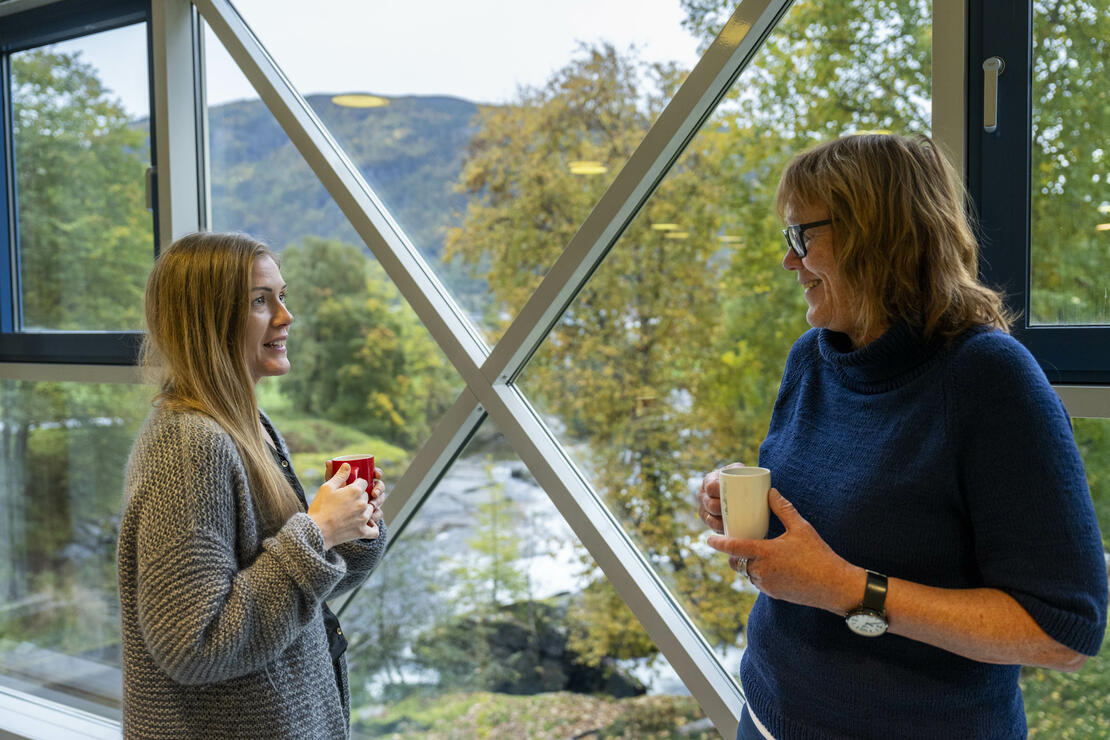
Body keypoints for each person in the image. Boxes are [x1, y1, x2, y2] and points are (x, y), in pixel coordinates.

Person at [697, 134, 1107, 739]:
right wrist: (746, 512)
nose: (790, 260)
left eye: (801, 236)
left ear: (874, 234)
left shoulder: (988, 378)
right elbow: (828, 525)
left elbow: (1063, 631)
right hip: (766, 715)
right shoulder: (812, 359)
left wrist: (848, 590)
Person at [117, 232, 387, 738]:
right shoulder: (189, 444)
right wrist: (317, 533)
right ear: (207, 319)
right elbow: (192, 645)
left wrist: (353, 527)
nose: (285, 317)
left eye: (282, 297)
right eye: (261, 301)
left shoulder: (249, 427)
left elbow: (299, 591)